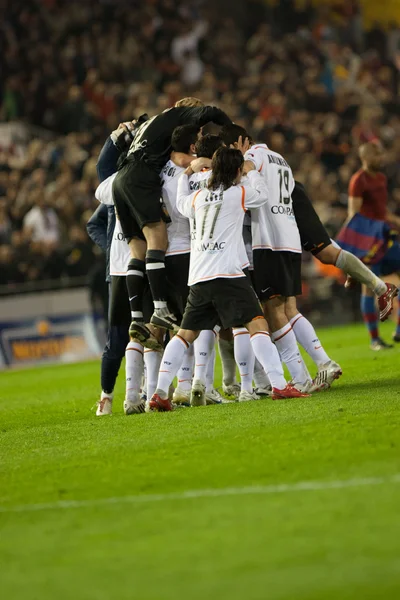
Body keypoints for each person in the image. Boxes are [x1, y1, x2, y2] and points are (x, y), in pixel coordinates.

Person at [146, 147, 309, 412]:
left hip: (199, 277)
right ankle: (279, 385)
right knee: (257, 324)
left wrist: (187, 171)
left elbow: (180, 200)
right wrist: (252, 172)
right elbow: (263, 194)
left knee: (186, 333)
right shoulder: (238, 193)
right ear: (236, 171)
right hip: (229, 274)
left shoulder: (197, 197)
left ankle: (160, 392)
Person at [112, 97, 232, 348]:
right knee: (157, 238)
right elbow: (210, 113)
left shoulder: (155, 125)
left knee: (138, 249)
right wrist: (229, 132)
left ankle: (137, 318)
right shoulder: (177, 125)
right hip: (143, 184)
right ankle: (159, 310)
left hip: (120, 179)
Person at [337, 141, 400, 349]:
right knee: (367, 288)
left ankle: (398, 329)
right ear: (365, 157)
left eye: (381, 155)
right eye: (377, 155)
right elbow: (353, 214)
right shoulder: (358, 180)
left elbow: (383, 211)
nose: (381, 159)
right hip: (369, 241)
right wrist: (351, 245)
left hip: (385, 236)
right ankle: (375, 339)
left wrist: (396, 221)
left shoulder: (381, 178)